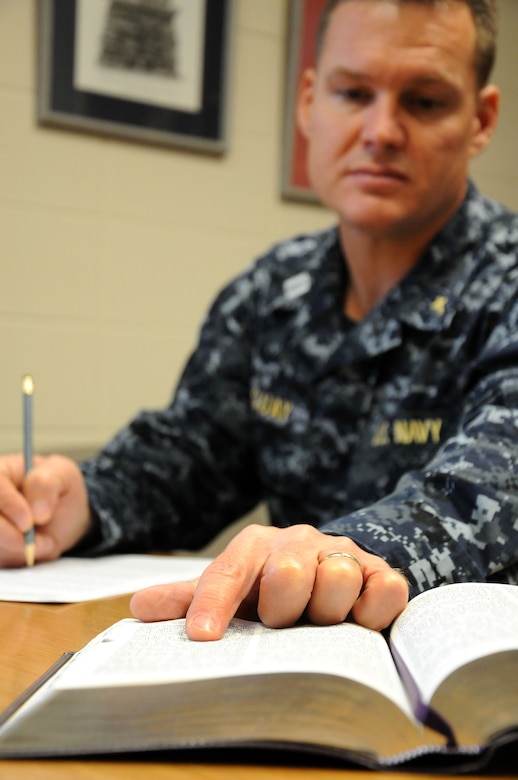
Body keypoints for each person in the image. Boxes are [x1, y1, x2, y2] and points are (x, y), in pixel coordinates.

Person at [2, 0, 517, 641]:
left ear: (481, 119)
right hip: (285, 677)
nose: (382, 130)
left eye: (425, 101)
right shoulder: (273, 289)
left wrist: (339, 555)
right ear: (308, 102)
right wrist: (78, 503)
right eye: (353, 92)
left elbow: (492, 493)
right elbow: (191, 460)